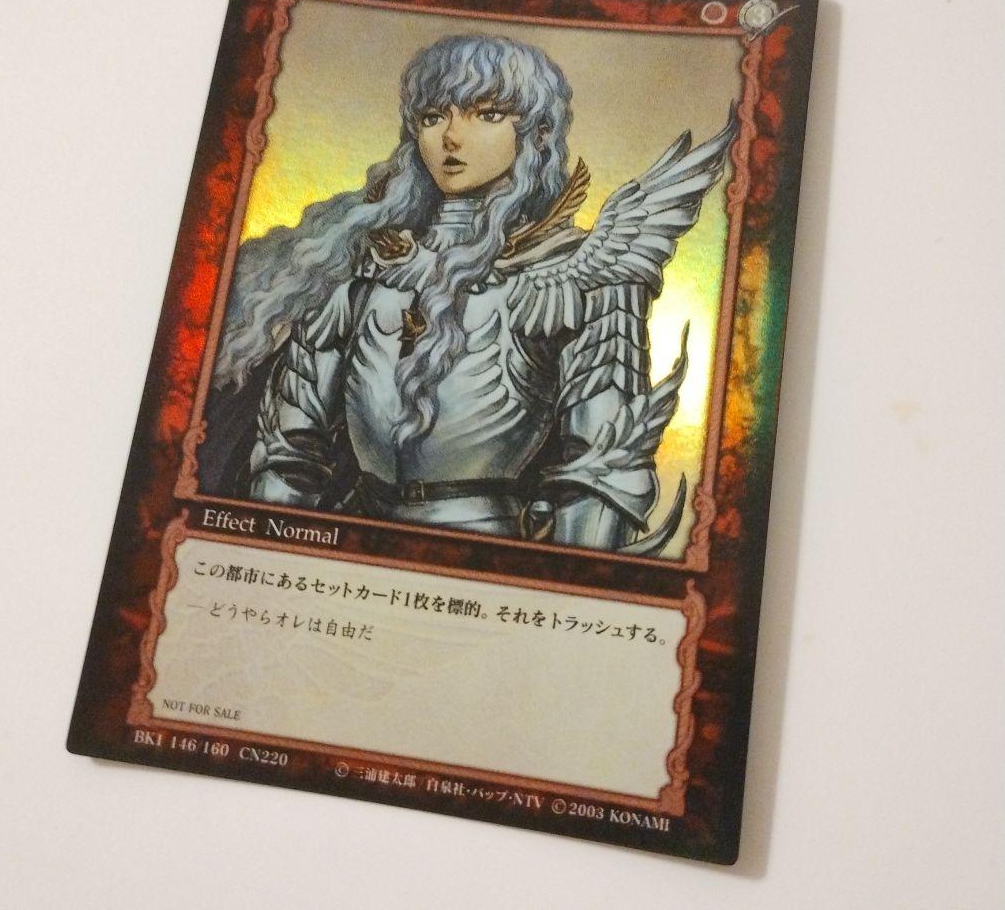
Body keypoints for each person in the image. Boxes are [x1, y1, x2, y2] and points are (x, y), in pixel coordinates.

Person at [200, 34, 735, 555]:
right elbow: (288, 448)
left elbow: (603, 464)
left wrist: (562, 586)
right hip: (349, 547)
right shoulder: (364, 266)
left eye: (486, 113)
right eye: (433, 117)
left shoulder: (576, 274)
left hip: (489, 555)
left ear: (538, 133)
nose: (451, 138)